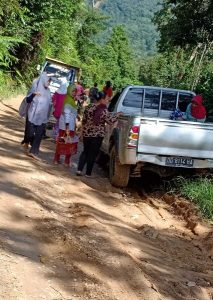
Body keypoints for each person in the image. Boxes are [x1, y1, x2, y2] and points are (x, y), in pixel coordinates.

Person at [76, 91, 121, 177]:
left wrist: (81, 132)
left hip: (86, 133)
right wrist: (118, 115)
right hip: (97, 135)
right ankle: (88, 173)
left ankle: (79, 170)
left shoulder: (89, 107)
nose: (108, 100)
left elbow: (84, 120)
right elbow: (110, 121)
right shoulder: (104, 110)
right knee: (92, 154)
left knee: (85, 151)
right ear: (102, 99)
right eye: (107, 99)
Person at [27, 72, 52, 160]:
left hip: (43, 118)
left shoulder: (48, 91)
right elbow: (27, 100)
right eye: (48, 81)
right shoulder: (35, 88)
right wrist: (33, 94)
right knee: (30, 134)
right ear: (43, 80)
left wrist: (48, 115)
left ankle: (33, 152)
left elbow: (49, 105)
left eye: (50, 82)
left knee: (39, 135)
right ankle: (31, 144)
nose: (49, 83)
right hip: (33, 116)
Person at [53, 84, 78, 166]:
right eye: (73, 91)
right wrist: (67, 126)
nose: (74, 93)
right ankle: (66, 161)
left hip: (65, 125)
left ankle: (57, 159)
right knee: (68, 143)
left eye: (75, 91)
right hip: (67, 127)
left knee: (62, 142)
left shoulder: (69, 99)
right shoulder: (69, 101)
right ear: (69, 91)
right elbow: (67, 114)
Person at [21, 77, 41, 150]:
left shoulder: (45, 92)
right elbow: (28, 100)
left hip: (39, 114)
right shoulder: (33, 89)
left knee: (35, 130)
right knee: (28, 129)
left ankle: (31, 143)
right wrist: (33, 95)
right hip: (30, 113)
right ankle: (26, 143)